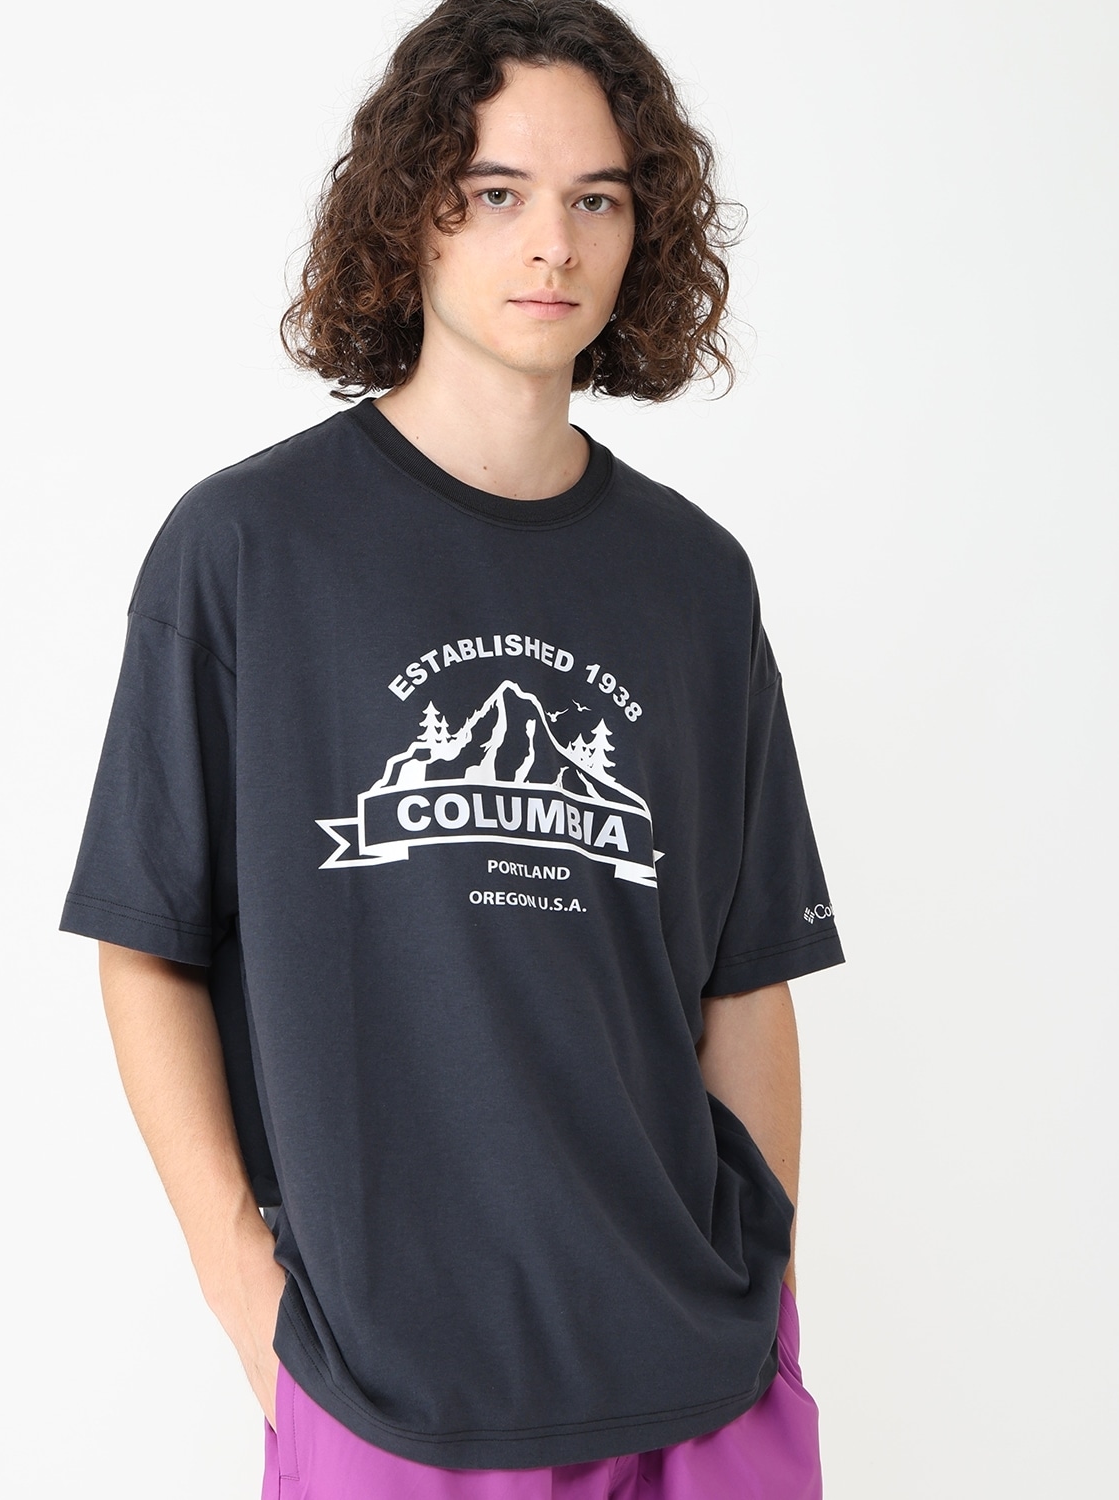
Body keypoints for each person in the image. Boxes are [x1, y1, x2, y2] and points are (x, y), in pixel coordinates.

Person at [59, 2, 844, 1495]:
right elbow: (143, 942)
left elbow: (748, 977)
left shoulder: (694, 579)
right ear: (409, 210)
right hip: (392, 1388)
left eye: (596, 199)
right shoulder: (248, 549)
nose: (550, 244)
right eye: (495, 193)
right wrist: (249, 1298)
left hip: (699, 1375)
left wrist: (768, 1297)